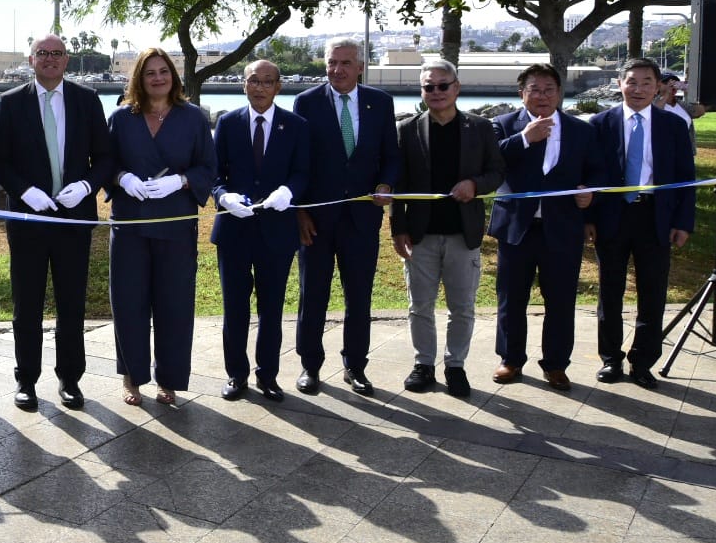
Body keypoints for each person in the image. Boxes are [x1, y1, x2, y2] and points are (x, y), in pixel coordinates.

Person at [0, 33, 114, 411]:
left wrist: (86, 185)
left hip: (74, 220)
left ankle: (70, 379)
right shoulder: (11, 103)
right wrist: (23, 190)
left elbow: (106, 159)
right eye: (42, 53)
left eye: (57, 53)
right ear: (31, 61)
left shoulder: (87, 100)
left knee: (71, 303)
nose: (49, 59)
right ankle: (26, 380)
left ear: (66, 60)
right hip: (28, 219)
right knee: (26, 304)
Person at [106, 48, 215, 408]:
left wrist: (181, 181)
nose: (157, 78)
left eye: (163, 71)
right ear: (139, 77)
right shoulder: (122, 118)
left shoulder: (194, 118)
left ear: (174, 76)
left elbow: (208, 169)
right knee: (129, 303)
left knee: (174, 304)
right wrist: (122, 178)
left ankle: (169, 378)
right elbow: (104, 164)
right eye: (149, 72)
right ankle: (132, 377)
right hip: (130, 226)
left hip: (175, 227)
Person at [390, 62, 505, 398]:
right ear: (421, 91)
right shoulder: (407, 130)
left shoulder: (481, 128)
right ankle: (423, 363)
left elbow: (497, 172)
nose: (436, 93)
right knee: (419, 306)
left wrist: (475, 183)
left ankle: (455, 366)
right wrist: (398, 229)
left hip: (463, 234)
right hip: (420, 235)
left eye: (443, 86)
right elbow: (400, 186)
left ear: (457, 87)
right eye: (429, 87)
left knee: (463, 307)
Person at [292, 37, 399, 396]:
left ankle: (356, 366)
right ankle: (310, 365)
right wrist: (301, 211)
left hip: (362, 221)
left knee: (359, 299)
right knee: (313, 297)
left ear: (360, 66)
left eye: (345, 63)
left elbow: (391, 155)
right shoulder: (306, 103)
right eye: (331, 63)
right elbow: (299, 163)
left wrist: (386, 182)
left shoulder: (380, 104)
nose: (337, 70)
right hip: (317, 223)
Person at [488, 63, 604, 391]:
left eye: (549, 89)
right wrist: (524, 139)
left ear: (559, 93)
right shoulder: (502, 125)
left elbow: (597, 171)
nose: (542, 96)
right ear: (522, 94)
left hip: (563, 228)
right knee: (511, 297)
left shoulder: (581, 130)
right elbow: (490, 163)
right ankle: (510, 359)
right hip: (516, 228)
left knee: (561, 299)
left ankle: (555, 364)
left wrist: (589, 195)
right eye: (535, 90)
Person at [589, 58, 695, 389]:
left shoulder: (673, 126)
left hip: (655, 217)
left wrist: (683, 222)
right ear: (620, 84)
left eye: (647, 82)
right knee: (611, 290)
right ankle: (611, 359)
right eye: (632, 82)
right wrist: (588, 219)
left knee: (653, 292)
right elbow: (589, 176)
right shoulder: (600, 124)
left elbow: (685, 179)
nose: (639, 89)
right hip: (612, 217)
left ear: (658, 87)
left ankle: (643, 362)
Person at [213, 59, 311, 403]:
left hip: (277, 232)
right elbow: (214, 175)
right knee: (234, 308)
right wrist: (223, 196)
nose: (260, 87)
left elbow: (302, 172)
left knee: (271, 309)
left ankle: (268, 375)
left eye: (267, 82)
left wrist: (289, 192)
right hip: (234, 231)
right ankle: (236, 375)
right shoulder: (227, 123)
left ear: (279, 87)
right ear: (243, 84)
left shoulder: (296, 125)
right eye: (254, 80)